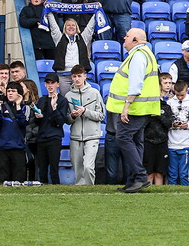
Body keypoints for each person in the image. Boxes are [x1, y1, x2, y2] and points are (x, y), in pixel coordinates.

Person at [106, 28, 161, 193]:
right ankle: (132, 181)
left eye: (127, 36)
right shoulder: (147, 54)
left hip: (135, 108)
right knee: (136, 141)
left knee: (123, 138)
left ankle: (140, 176)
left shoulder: (137, 56)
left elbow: (136, 85)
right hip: (144, 107)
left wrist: (126, 107)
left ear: (136, 40)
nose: (124, 38)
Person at [65, 65, 104, 185]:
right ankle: (80, 193)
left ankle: (90, 189)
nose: (77, 79)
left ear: (85, 76)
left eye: (79, 76)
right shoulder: (68, 96)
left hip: (92, 136)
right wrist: (73, 115)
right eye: (74, 76)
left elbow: (101, 115)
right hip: (75, 136)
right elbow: (67, 119)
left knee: (88, 167)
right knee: (78, 170)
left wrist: (85, 111)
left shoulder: (95, 93)